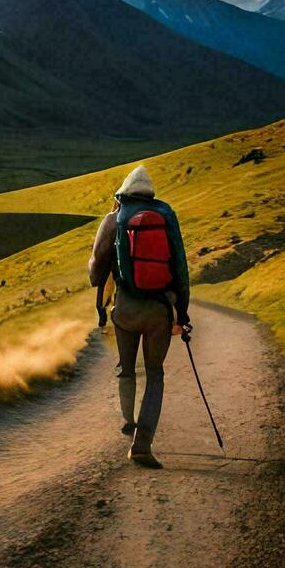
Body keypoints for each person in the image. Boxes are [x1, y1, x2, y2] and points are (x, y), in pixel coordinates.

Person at [88, 165, 191, 469]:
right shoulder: (166, 217)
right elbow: (182, 271)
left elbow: (95, 276)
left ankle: (128, 421)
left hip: (126, 310)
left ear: (122, 194)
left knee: (127, 367)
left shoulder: (113, 220)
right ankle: (142, 446)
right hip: (160, 311)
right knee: (155, 374)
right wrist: (182, 313)